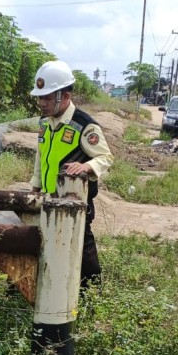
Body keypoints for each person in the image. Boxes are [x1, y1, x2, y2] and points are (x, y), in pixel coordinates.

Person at [29, 60, 114, 288]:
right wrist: (35, 188)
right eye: (40, 97)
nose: (42, 103)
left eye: (47, 98)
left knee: (81, 251)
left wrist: (86, 167)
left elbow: (105, 157)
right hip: (48, 198)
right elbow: (41, 156)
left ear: (65, 96)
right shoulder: (45, 123)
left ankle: (92, 293)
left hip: (76, 202)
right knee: (47, 246)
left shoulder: (84, 125)